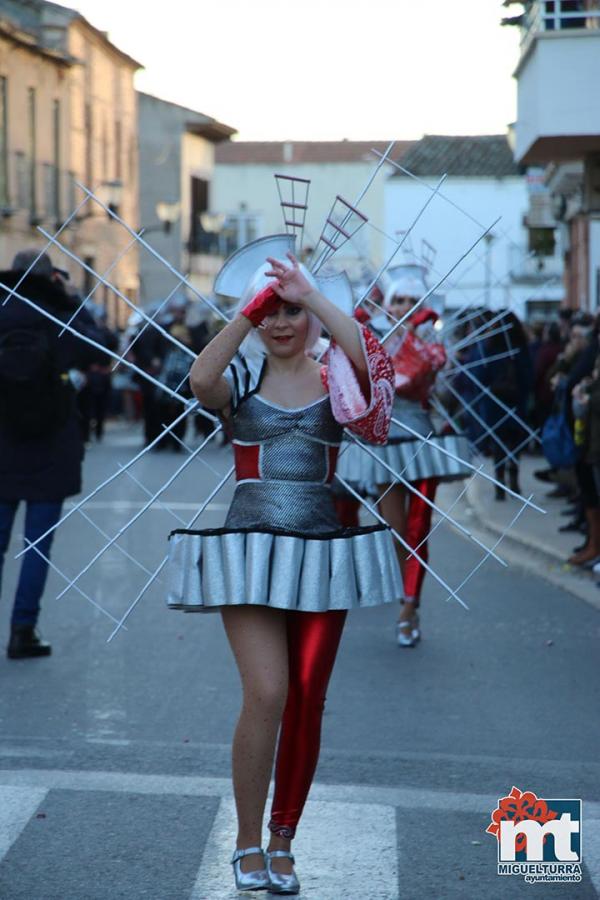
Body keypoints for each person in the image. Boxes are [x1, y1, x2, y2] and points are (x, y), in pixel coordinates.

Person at [166, 245, 399, 894]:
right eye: (274, 312)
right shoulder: (241, 376)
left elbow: (369, 358)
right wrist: (249, 309)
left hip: (323, 556)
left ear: (315, 317)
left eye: (293, 312)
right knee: (267, 693)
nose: (282, 322)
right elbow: (200, 382)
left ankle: (283, 839)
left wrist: (311, 291)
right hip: (249, 554)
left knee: (306, 698)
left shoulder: (339, 379)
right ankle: (246, 842)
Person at [336, 276, 470, 648]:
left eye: (413, 300)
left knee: (417, 530)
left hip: (421, 445)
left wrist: (411, 333)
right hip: (383, 445)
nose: (405, 306)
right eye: (399, 300)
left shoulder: (429, 340)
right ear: (388, 304)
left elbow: (426, 372)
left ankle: (410, 607)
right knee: (395, 533)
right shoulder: (369, 338)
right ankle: (405, 593)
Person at [0, 249, 94, 659]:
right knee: (36, 546)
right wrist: (72, 297)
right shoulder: (60, 313)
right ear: (49, 277)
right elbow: (99, 345)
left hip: (2, 442)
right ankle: (24, 629)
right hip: (51, 443)